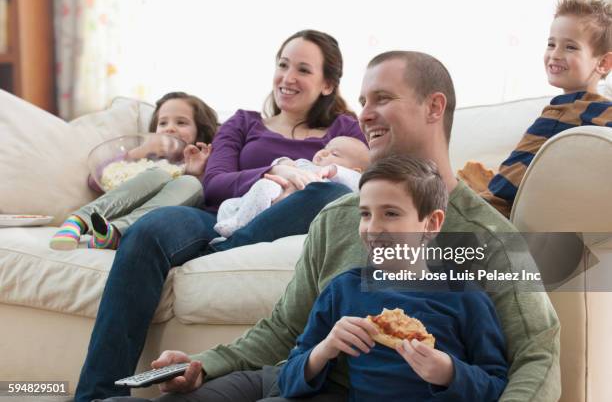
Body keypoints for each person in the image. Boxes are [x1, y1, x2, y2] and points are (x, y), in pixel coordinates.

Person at [100, 52, 560, 402]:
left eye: (382, 98)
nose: (364, 114)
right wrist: (205, 363)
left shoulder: (488, 238)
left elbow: (536, 357)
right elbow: (285, 330)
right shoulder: (337, 219)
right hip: (304, 381)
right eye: (362, 101)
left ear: (434, 107)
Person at [75, 29, 366, 402]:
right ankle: (95, 395)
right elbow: (215, 182)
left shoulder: (344, 131)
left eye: (303, 70)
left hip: (286, 217)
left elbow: (358, 183)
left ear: (327, 84)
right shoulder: (244, 123)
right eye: (282, 65)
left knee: (328, 191)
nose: (287, 78)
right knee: (148, 230)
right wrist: (272, 173)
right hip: (217, 220)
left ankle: (219, 252)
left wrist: (303, 183)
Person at [278, 154, 508, 401]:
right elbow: (287, 381)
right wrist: (326, 348)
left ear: (431, 223)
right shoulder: (344, 289)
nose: (373, 228)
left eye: (390, 213)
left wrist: (450, 373)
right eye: (365, 214)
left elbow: (497, 384)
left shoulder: (465, 296)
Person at [463, 0, 612, 217]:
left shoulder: (578, 111)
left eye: (570, 47)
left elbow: (507, 187)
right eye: (551, 44)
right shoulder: (582, 110)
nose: (555, 54)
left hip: (496, 215)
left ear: (603, 63)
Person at [49, 92, 219, 251]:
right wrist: (139, 152)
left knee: (190, 183)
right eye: (163, 123)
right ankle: (78, 221)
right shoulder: (147, 158)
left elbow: (210, 199)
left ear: (200, 130)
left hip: (149, 222)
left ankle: (115, 233)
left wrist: (196, 173)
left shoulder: (206, 158)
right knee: (158, 173)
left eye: (181, 122)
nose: (170, 128)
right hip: (117, 209)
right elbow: (95, 180)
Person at [214, 136, 369, 237]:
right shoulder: (305, 164)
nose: (323, 153)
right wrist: (283, 164)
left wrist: (335, 170)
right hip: (264, 196)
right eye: (325, 148)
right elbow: (281, 164)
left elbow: (357, 183)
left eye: (334, 154)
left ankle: (239, 226)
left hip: (290, 206)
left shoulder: (346, 179)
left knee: (264, 186)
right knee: (235, 201)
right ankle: (236, 221)